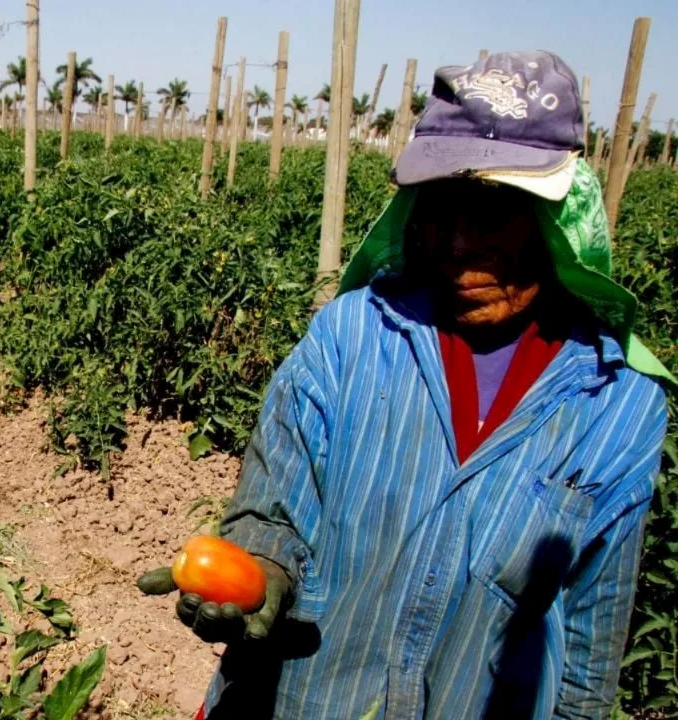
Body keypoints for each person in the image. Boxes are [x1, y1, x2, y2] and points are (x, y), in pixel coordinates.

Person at [138, 51, 672, 719]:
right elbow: (273, 509)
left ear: (556, 218)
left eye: (492, 212)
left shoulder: (617, 405)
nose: (454, 242)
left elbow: (591, 638)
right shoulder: (351, 337)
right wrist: (261, 570)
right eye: (438, 209)